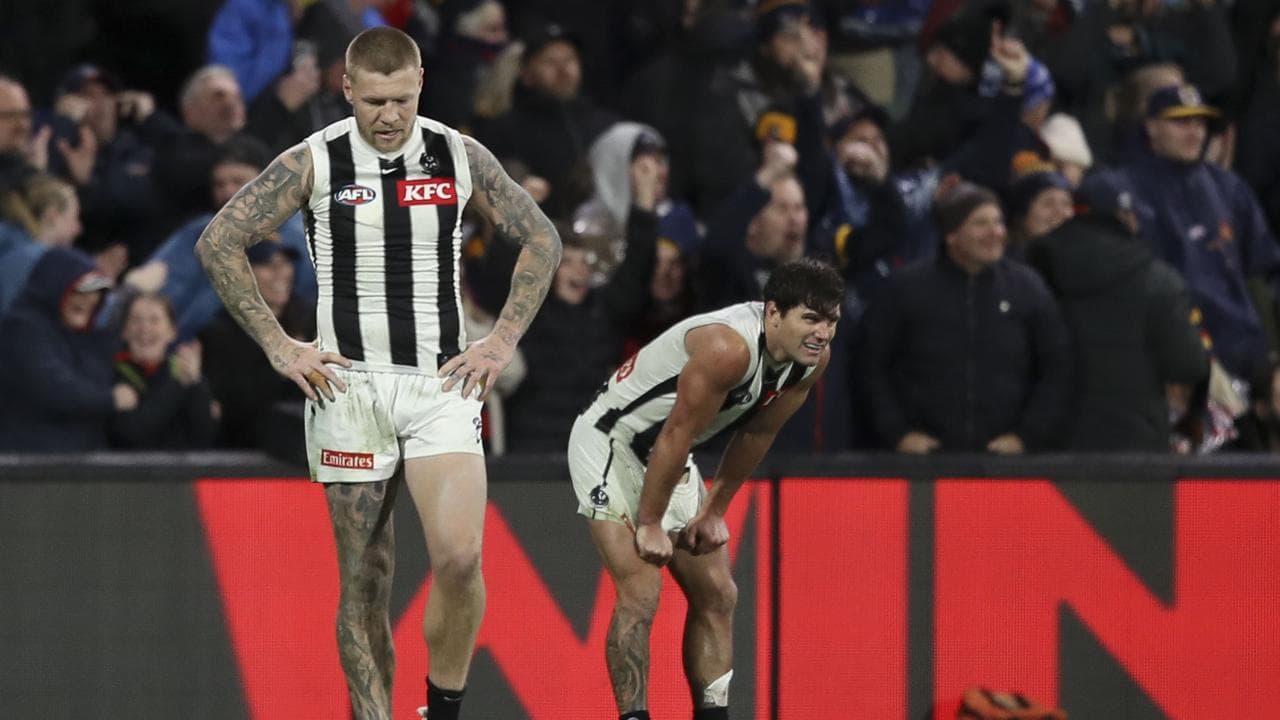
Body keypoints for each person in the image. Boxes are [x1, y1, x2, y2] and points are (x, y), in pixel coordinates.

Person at [194, 26, 561, 720]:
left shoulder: (458, 152)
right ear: (348, 91)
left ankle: (442, 707)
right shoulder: (315, 160)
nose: (387, 117)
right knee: (366, 581)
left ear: (420, 83)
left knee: (457, 559)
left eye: (399, 100)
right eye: (373, 103)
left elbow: (541, 236)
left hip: (439, 383)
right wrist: (280, 347)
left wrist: (501, 340)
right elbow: (219, 241)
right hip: (349, 388)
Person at [570, 257, 842, 720]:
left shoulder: (810, 362)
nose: (823, 333)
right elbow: (675, 432)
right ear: (773, 312)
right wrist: (651, 522)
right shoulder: (728, 348)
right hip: (611, 443)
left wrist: (714, 510)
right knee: (641, 590)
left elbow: (756, 435)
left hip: (669, 454)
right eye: (811, 319)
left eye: (832, 320)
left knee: (719, 594)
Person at [860, 181, 1071, 453]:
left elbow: (1057, 367)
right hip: (924, 465)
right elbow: (871, 365)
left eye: (998, 222)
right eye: (981, 223)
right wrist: (898, 433)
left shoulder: (1028, 288)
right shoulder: (906, 289)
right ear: (951, 234)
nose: (995, 233)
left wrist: (1026, 436)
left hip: (1005, 465)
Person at [1027, 171, 1209, 451]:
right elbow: (1188, 363)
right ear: (1127, 218)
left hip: (1047, 440)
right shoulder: (1157, 277)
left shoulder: (1031, 268)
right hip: (1135, 445)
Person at [0, 246, 132, 451]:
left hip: (81, 465)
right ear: (54, 286)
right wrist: (111, 399)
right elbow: (55, 390)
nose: (90, 299)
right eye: (82, 290)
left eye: (97, 292)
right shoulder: (22, 329)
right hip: (32, 468)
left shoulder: (90, 337)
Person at [109, 291, 219, 449]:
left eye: (154, 320)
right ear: (124, 331)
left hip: (182, 471)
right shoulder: (112, 372)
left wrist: (197, 384)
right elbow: (130, 432)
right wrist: (180, 384)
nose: (144, 328)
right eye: (136, 320)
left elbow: (205, 434)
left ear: (172, 332)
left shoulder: (188, 373)